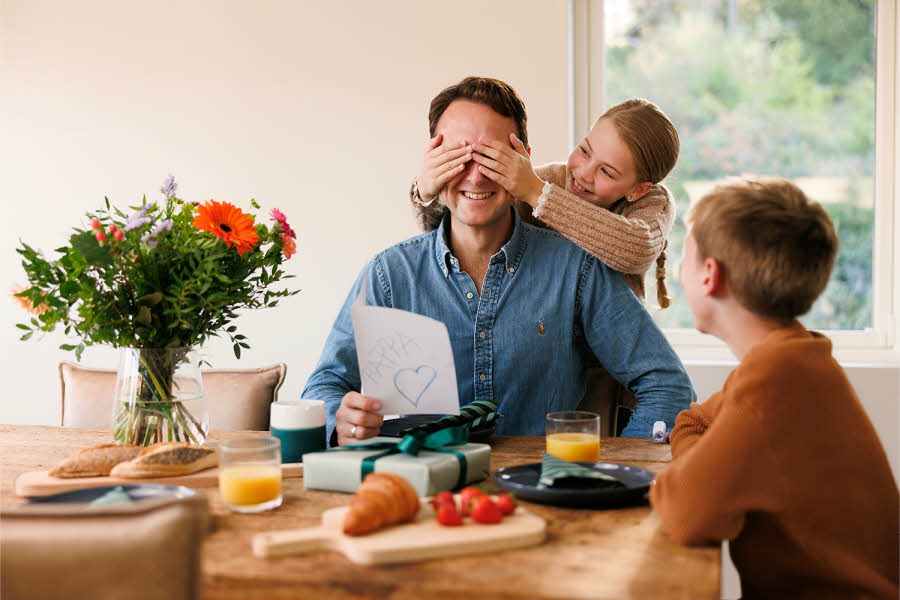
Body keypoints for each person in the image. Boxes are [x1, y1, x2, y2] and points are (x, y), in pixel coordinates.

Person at [303, 76, 694, 446]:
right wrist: (342, 422)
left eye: (491, 158)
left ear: (522, 160)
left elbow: (667, 385)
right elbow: (324, 385)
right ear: (433, 163)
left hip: (545, 494)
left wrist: (608, 472)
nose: (475, 176)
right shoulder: (389, 274)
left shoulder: (578, 268)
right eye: (457, 157)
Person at [649, 177, 899, 598]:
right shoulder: (791, 359)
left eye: (684, 260)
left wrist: (694, 467)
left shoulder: (777, 376)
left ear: (710, 275)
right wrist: (700, 460)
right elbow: (692, 419)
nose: (678, 274)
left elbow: (684, 512)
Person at [411, 97, 679, 307]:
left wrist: (536, 194)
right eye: (585, 151)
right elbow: (470, 219)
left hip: (610, 365)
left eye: (607, 171)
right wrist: (426, 192)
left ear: (638, 189)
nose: (584, 172)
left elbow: (637, 249)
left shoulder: (652, 201)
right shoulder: (547, 179)